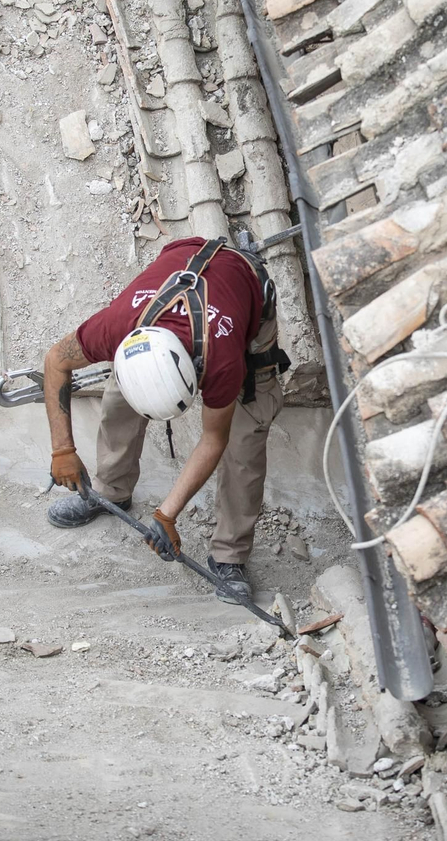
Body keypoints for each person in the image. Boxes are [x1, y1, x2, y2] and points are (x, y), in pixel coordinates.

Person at [39, 236, 290, 604]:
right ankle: (112, 490)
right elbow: (55, 361)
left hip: (244, 288)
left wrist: (166, 514)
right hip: (177, 271)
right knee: (120, 396)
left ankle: (229, 555)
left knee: (245, 432)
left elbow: (213, 439)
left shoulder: (222, 359)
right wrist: (62, 450)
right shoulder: (117, 326)